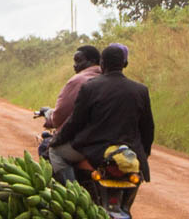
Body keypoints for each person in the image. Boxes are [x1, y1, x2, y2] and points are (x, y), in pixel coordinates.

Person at [48, 43, 154, 184]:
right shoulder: (141, 90)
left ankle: (71, 191)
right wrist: (143, 153)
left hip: (94, 149)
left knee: (55, 152)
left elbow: (75, 121)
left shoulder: (90, 87)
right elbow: (147, 128)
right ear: (125, 64)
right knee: (135, 173)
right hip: (129, 149)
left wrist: (57, 140)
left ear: (102, 64)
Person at [42, 45, 101, 131]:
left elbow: (60, 115)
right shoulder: (108, 78)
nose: (75, 65)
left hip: (80, 137)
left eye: (79, 61)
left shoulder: (78, 80)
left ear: (92, 61)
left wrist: (50, 117)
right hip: (107, 135)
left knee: (49, 143)